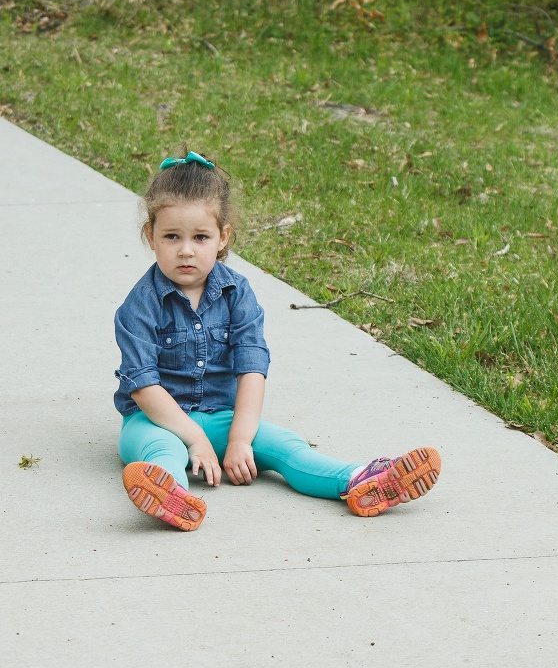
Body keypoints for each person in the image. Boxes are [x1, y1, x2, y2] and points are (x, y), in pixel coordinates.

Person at [114, 149, 441, 531]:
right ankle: (171, 494)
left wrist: (238, 439)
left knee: (285, 446)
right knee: (163, 450)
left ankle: (361, 480)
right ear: (150, 235)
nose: (186, 249)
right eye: (172, 236)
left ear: (223, 237)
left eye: (200, 237)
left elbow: (252, 368)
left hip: (223, 417)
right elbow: (144, 387)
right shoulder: (140, 305)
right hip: (155, 421)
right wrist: (195, 440)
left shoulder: (238, 293)